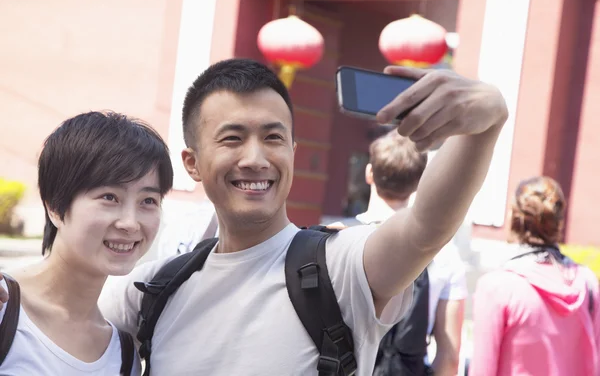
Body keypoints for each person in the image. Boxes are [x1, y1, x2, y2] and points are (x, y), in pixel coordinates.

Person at [85, 58, 503, 375]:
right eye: (232, 139)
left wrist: (485, 124)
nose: (255, 158)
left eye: (273, 138)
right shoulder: (149, 292)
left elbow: (424, 229)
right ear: (192, 163)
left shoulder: (340, 268)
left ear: (292, 152)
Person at [0, 111, 173, 375]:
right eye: (109, 197)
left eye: (148, 201)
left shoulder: (123, 355)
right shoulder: (4, 308)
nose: (130, 223)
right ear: (55, 207)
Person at [331, 129, 467, 376]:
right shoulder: (445, 255)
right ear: (420, 180)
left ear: (369, 173)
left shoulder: (337, 238)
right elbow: (450, 356)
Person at [469, 176, 600, 376]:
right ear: (558, 222)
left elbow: (482, 371)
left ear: (513, 217)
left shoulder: (496, 287)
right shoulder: (587, 283)